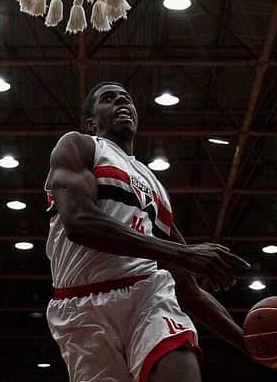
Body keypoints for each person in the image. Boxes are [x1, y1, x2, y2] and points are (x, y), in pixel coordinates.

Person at [44, 82, 252, 382]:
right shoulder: (81, 146)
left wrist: (249, 343)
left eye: (127, 99)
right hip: (82, 308)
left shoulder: (154, 184)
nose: (121, 103)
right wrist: (184, 252)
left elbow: (188, 289)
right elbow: (80, 222)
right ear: (90, 122)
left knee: (180, 361)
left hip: (147, 294)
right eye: (109, 99)